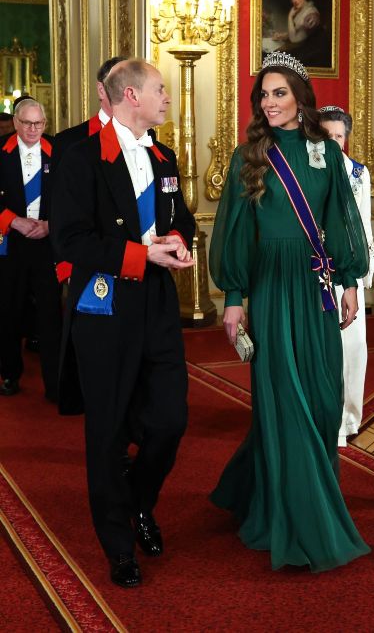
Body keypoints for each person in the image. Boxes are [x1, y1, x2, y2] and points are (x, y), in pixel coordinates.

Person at [209, 51, 371, 572]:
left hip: (318, 285)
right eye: (264, 94)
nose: (269, 102)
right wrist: (234, 298)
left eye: (279, 93)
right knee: (286, 396)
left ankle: (254, 484)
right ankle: (300, 515)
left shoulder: (326, 151)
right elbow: (235, 230)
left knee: (323, 399)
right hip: (273, 286)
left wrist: (349, 281)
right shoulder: (248, 156)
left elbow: (343, 216)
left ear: (301, 99)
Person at [51, 59, 195, 588]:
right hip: (105, 305)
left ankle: (137, 501)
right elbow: (70, 240)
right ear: (130, 96)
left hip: (157, 304)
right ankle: (118, 546)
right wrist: (140, 255)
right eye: (161, 90)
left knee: (170, 421)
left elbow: (181, 220)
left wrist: (179, 244)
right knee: (107, 432)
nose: (167, 98)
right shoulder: (80, 159)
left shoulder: (165, 157)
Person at [319, 106, 374, 446]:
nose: (333, 142)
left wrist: (364, 272)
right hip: (314, 269)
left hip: (348, 272)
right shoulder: (306, 173)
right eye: (327, 136)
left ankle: (347, 419)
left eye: (339, 136)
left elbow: (364, 222)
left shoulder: (358, 173)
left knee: (352, 347)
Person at [0, 99, 62, 400]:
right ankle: (10, 373)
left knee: (51, 315)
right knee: (8, 311)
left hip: (47, 244)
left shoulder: (59, 151)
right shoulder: (1, 151)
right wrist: (13, 222)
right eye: (26, 123)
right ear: (15, 122)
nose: (32, 129)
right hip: (10, 244)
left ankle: (55, 382)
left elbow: (72, 197)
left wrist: (51, 224)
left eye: (38, 123)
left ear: (45, 123)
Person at [51, 55, 126, 283]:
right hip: (87, 261)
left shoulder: (149, 141)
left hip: (136, 260)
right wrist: (65, 265)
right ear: (102, 90)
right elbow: (59, 209)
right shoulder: (69, 142)